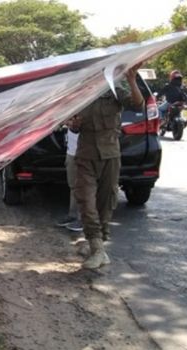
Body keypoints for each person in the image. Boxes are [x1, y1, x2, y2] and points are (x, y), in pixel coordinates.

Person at [74, 64, 144, 269]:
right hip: (85, 155)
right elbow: (74, 123)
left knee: (106, 201)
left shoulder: (114, 88)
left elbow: (137, 105)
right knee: (86, 201)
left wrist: (132, 80)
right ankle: (96, 246)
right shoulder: (81, 93)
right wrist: (74, 124)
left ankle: (98, 245)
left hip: (110, 154)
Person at [55, 121, 83, 232]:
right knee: (73, 185)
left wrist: (70, 122)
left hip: (85, 153)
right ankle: (73, 215)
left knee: (85, 187)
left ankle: (84, 219)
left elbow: (77, 125)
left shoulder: (85, 110)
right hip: (72, 152)